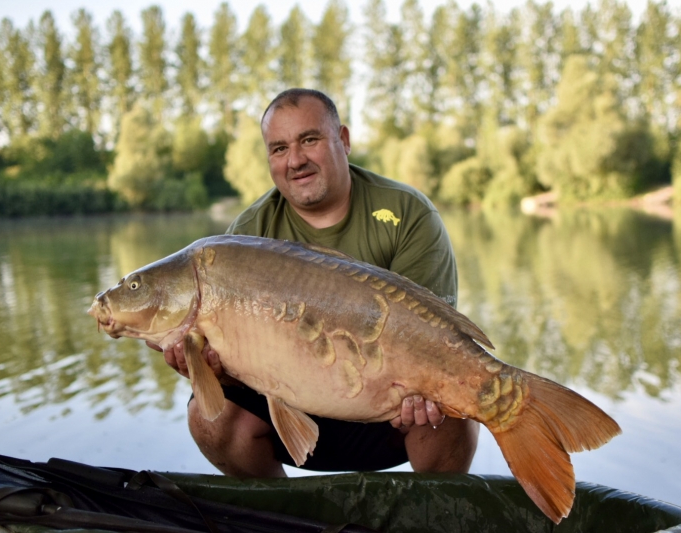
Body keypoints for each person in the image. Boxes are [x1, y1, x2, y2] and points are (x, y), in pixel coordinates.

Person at [160, 88, 479, 477]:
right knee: (208, 417)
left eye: (308, 140)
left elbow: (438, 342)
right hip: (290, 413)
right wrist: (211, 369)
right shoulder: (247, 236)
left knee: (454, 405)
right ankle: (281, 520)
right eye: (278, 149)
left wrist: (428, 389)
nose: (295, 160)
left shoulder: (407, 213)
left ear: (343, 141)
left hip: (391, 415)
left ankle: (433, 515)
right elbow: (237, 366)